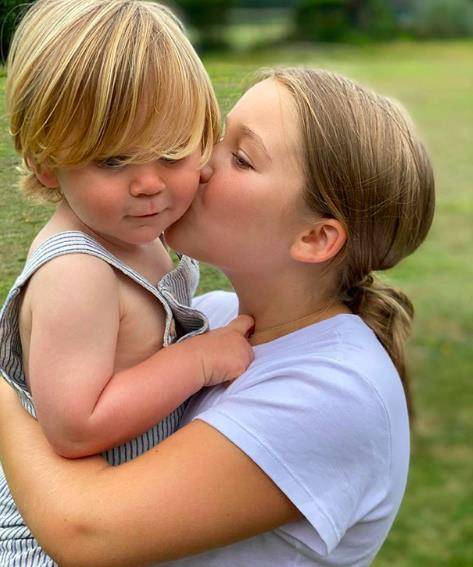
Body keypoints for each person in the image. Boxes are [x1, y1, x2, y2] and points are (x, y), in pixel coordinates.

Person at [0, 67, 435, 566]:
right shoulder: (210, 316)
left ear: (315, 238)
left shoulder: (335, 391)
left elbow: (83, 532)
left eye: (242, 158)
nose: (201, 162)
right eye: (217, 137)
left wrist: (13, 383)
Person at [0, 1, 254, 565]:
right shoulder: (78, 272)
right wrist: (201, 361)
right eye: (112, 161)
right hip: (47, 542)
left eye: (170, 153)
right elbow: (75, 426)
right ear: (46, 163)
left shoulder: (134, 233)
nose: (147, 184)